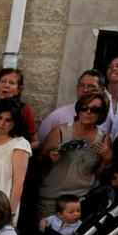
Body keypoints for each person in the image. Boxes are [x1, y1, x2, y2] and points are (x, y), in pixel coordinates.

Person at [36, 91, 113, 225]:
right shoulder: (60, 132)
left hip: (82, 203)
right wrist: (49, 158)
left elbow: (101, 176)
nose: (88, 112)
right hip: (52, 201)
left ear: (101, 114)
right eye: (84, 107)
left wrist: (108, 159)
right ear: (79, 109)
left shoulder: (104, 139)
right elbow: (38, 162)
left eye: (94, 109)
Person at [37, 70, 105, 144]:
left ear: (102, 90)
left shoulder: (107, 118)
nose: (85, 90)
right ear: (77, 88)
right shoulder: (57, 116)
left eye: (91, 86)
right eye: (82, 86)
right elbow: (39, 146)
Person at [0, 68, 39, 151]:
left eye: (12, 83)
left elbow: (36, 142)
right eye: (3, 81)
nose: (6, 85)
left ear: (18, 89)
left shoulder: (23, 110)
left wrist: (19, 151)